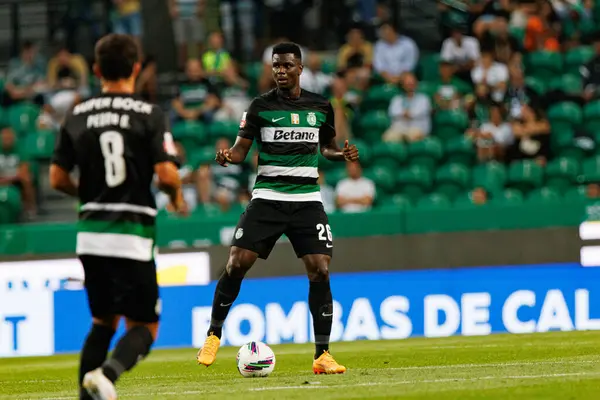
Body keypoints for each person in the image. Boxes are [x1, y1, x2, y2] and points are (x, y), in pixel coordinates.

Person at [196, 42, 359, 374]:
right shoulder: (260, 106)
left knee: (321, 269)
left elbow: (326, 148)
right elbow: (242, 151)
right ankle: (214, 333)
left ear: (300, 68)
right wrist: (228, 157)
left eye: (286, 65)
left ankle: (322, 355)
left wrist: (340, 155)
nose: (280, 71)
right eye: (276, 66)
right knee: (237, 262)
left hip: (307, 201)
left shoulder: (321, 105)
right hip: (269, 197)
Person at [49, 34, 187, 400]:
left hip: (90, 235)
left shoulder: (77, 114)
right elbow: (168, 174)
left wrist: (92, 194)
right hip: (131, 235)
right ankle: (107, 374)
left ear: (96, 70)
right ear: (136, 68)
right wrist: (175, 197)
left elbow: (56, 178)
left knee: (102, 322)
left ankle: (87, 394)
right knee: (146, 326)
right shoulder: (149, 114)